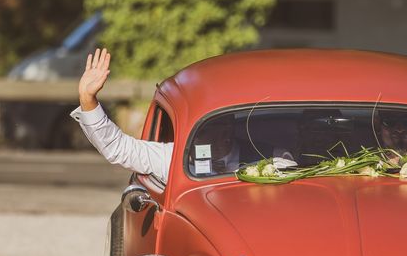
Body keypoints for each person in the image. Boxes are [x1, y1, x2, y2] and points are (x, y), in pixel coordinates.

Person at [71, 48, 295, 183]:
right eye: (207, 126)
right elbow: (120, 149)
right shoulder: (176, 158)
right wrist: (87, 99)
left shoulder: (272, 158)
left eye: (222, 125)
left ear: (231, 127)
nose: (217, 134)